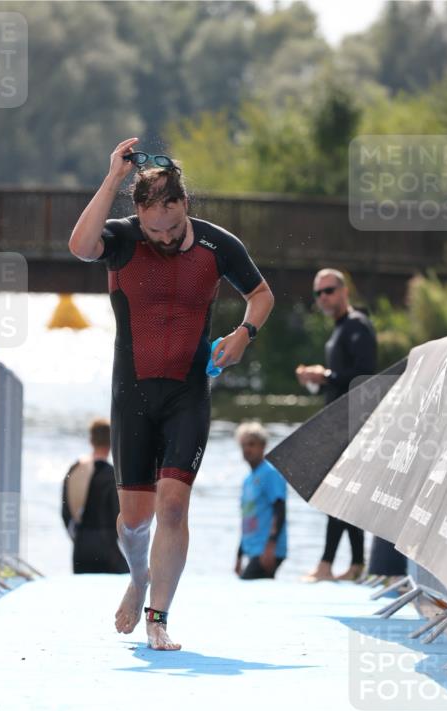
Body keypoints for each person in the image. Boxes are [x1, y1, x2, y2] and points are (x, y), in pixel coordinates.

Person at [68, 138, 274, 649]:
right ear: (138, 214)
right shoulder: (120, 239)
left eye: (172, 226)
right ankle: (138, 579)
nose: (162, 237)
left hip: (187, 393)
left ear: (185, 205)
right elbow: (78, 246)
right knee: (134, 519)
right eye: (152, 228)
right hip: (131, 394)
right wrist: (113, 177)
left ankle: (159, 617)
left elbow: (261, 294)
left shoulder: (215, 244)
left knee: (174, 507)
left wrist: (244, 333)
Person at [296, 268, 376, 582]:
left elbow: (365, 377)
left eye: (329, 290)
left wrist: (324, 375)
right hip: (338, 422)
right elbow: (340, 381)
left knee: (336, 492)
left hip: (353, 423)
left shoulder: (358, 326)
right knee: (346, 494)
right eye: (318, 293)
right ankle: (356, 564)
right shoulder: (341, 328)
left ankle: (327, 564)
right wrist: (318, 382)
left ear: (344, 291)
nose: (323, 297)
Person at [62, 418, 128, 575]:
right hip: (107, 547)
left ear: (91, 440)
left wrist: (78, 539)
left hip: (81, 548)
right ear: (111, 442)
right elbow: (119, 515)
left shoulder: (75, 469)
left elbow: (66, 512)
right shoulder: (113, 475)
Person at [235, 422, 287, 580]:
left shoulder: (270, 473)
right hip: (252, 549)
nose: (246, 449)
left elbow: (280, 508)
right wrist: (239, 555)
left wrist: (271, 545)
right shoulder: (248, 480)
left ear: (263, 446)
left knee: (247, 583)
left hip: (267, 549)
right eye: (243, 445)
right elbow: (246, 516)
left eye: (251, 444)